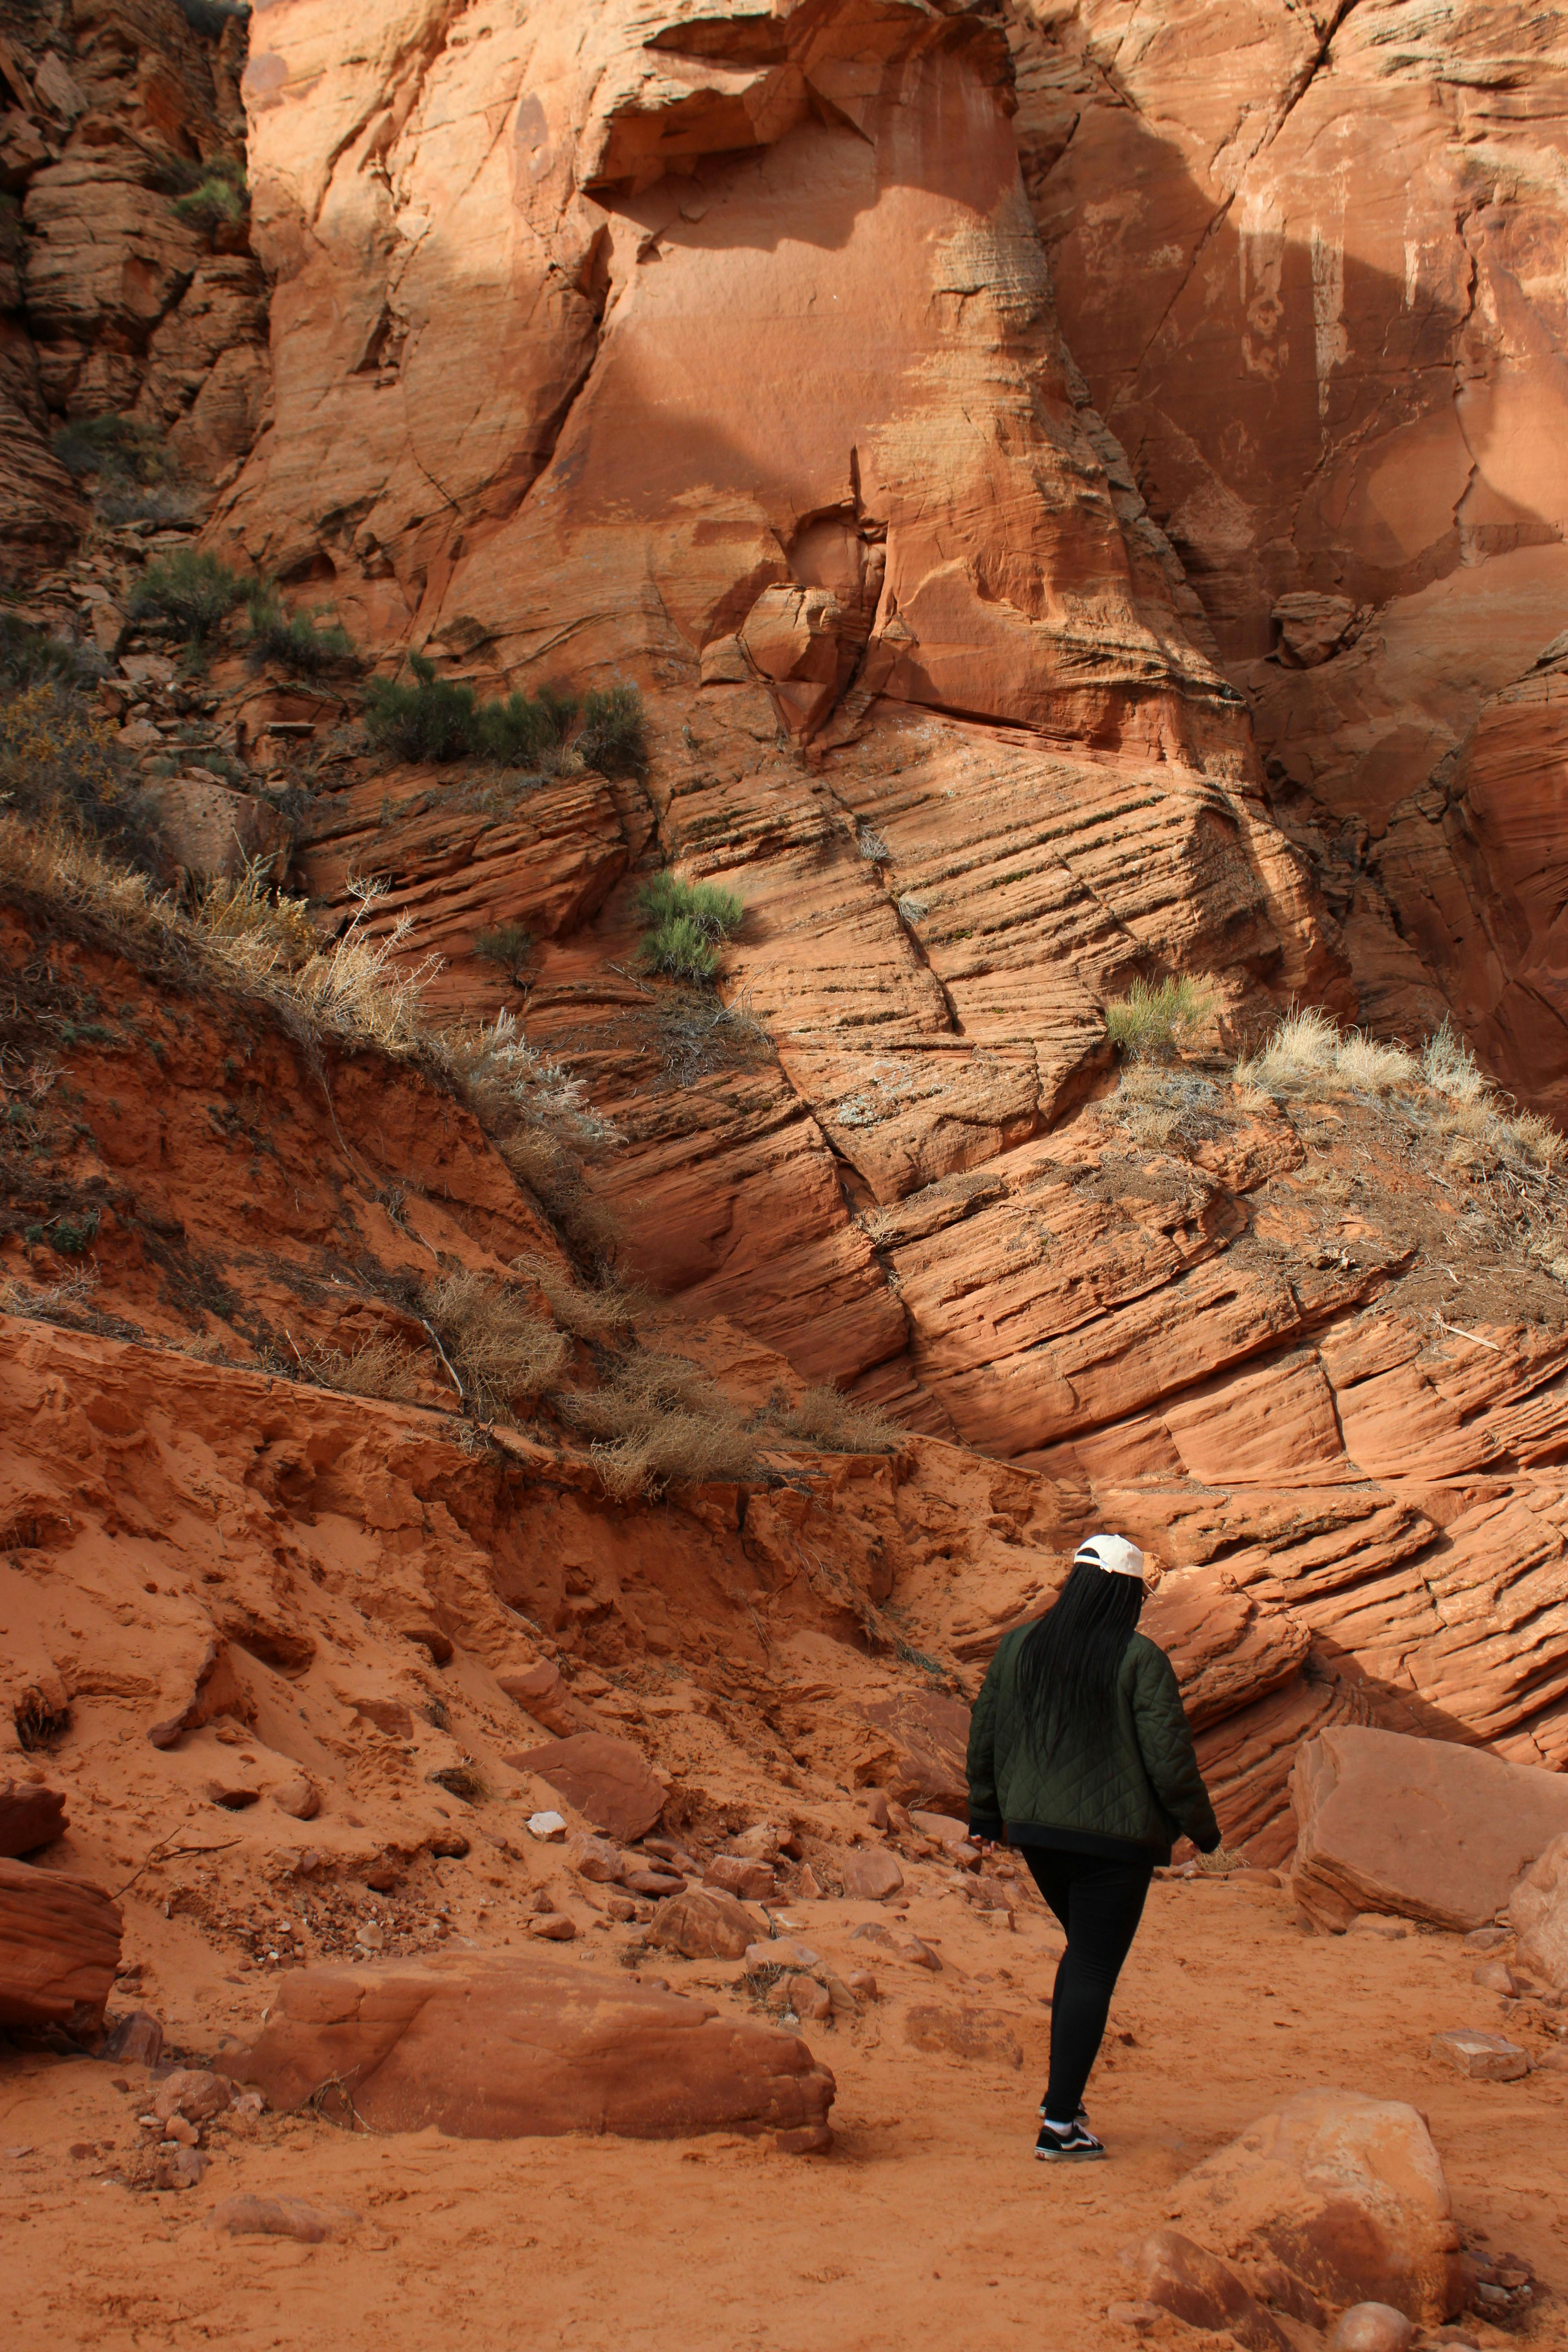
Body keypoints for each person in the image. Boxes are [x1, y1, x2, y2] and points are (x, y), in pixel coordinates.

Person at [965, 1531, 1221, 2163]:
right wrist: (1203, 1828)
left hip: (1037, 1836)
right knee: (1092, 1968)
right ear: (1126, 1594)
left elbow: (987, 1731)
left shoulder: (1020, 1646)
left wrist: (985, 1812)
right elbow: (1169, 1758)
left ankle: (1065, 2101)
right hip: (1116, 1844)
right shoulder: (1139, 1659)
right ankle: (1059, 2126)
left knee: (1083, 1957)